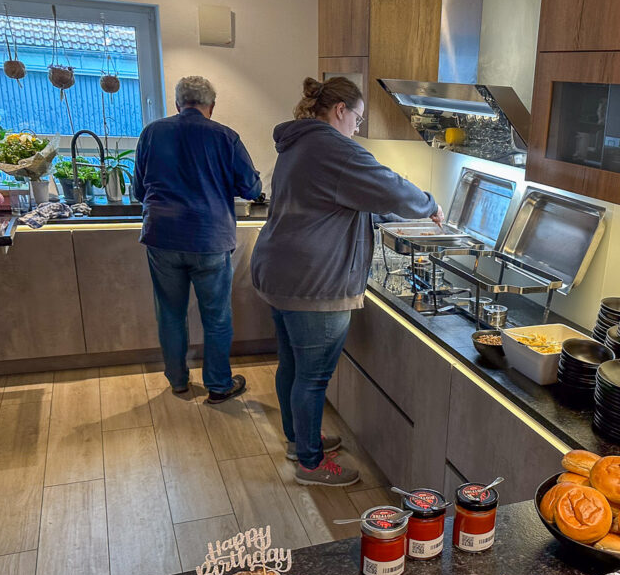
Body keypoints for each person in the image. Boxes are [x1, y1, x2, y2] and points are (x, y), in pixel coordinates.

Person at [252, 77, 443, 487]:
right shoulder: (331, 147)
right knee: (313, 376)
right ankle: (311, 462)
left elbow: (350, 201)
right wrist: (429, 204)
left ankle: (299, 440)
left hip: (282, 272)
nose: (357, 127)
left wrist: (402, 215)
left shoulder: (300, 142)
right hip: (313, 282)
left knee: (293, 365)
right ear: (340, 110)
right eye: (356, 117)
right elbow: (388, 187)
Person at [134, 75, 263, 403]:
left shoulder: (151, 133)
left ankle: (178, 381)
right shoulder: (226, 137)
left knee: (170, 312)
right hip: (209, 239)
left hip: (162, 237)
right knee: (216, 316)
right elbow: (252, 189)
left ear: (177, 103)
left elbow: (138, 190)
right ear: (212, 106)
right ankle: (219, 385)